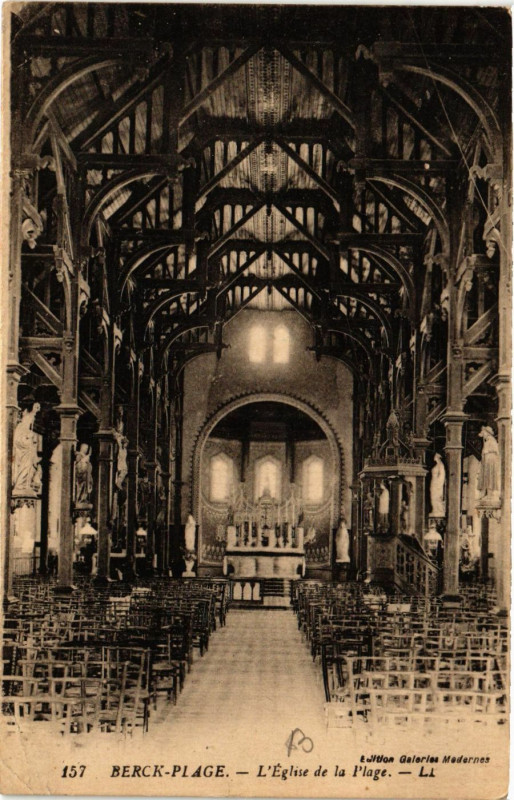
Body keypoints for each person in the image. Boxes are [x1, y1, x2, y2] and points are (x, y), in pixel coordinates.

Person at [12, 402, 40, 496]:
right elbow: (18, 441)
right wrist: (29, 440)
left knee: (29, 469)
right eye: (36, 407)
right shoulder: (21, 427)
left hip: (28, 453)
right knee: (24, 467)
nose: (38, 409)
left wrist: (31, 439)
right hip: (24, 453)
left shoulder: (27, 425)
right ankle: (20, 485)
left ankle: (25, 485)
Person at [478, 426, 500, 497]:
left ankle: (490, 493)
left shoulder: (492, 440)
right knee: (486, 476)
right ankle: (486, 492)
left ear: (487, 433)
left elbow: (495, 451)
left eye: (484, 433)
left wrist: (487, 451)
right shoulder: (487, 441)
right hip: (486, 461)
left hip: (490, 461)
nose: (483, 434)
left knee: (489, 476)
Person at [429, 452, 446, 517]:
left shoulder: (441, 465)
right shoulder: (437, 465)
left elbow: (442, 476)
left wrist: (439, 484)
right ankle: (435, 509)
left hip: (437, 484)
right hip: (433, 482)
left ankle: (438, 510)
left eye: (435, 456)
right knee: (432, 496)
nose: (434, 458)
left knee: (436, 496)